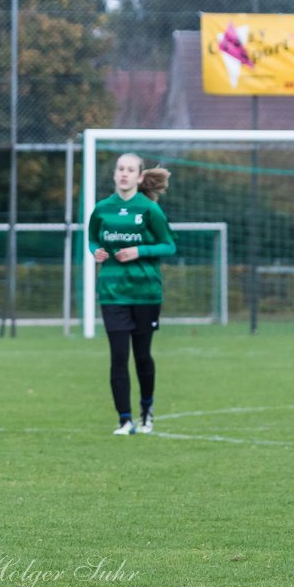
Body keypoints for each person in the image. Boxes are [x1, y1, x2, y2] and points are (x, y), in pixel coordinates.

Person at [88, 153, 175, 436]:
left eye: (130, 170)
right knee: (118, 356)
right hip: (112, 293)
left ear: (139, 177)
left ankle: (146, 408)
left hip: (145, 293)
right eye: (120, 169)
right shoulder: (102, 209)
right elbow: (91, 238)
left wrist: (140, 250)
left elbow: (168, 246)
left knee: (142, 357)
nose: (124, 174)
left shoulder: (149, 209)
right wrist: (94, 251)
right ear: (115, 175)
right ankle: (125, 420)